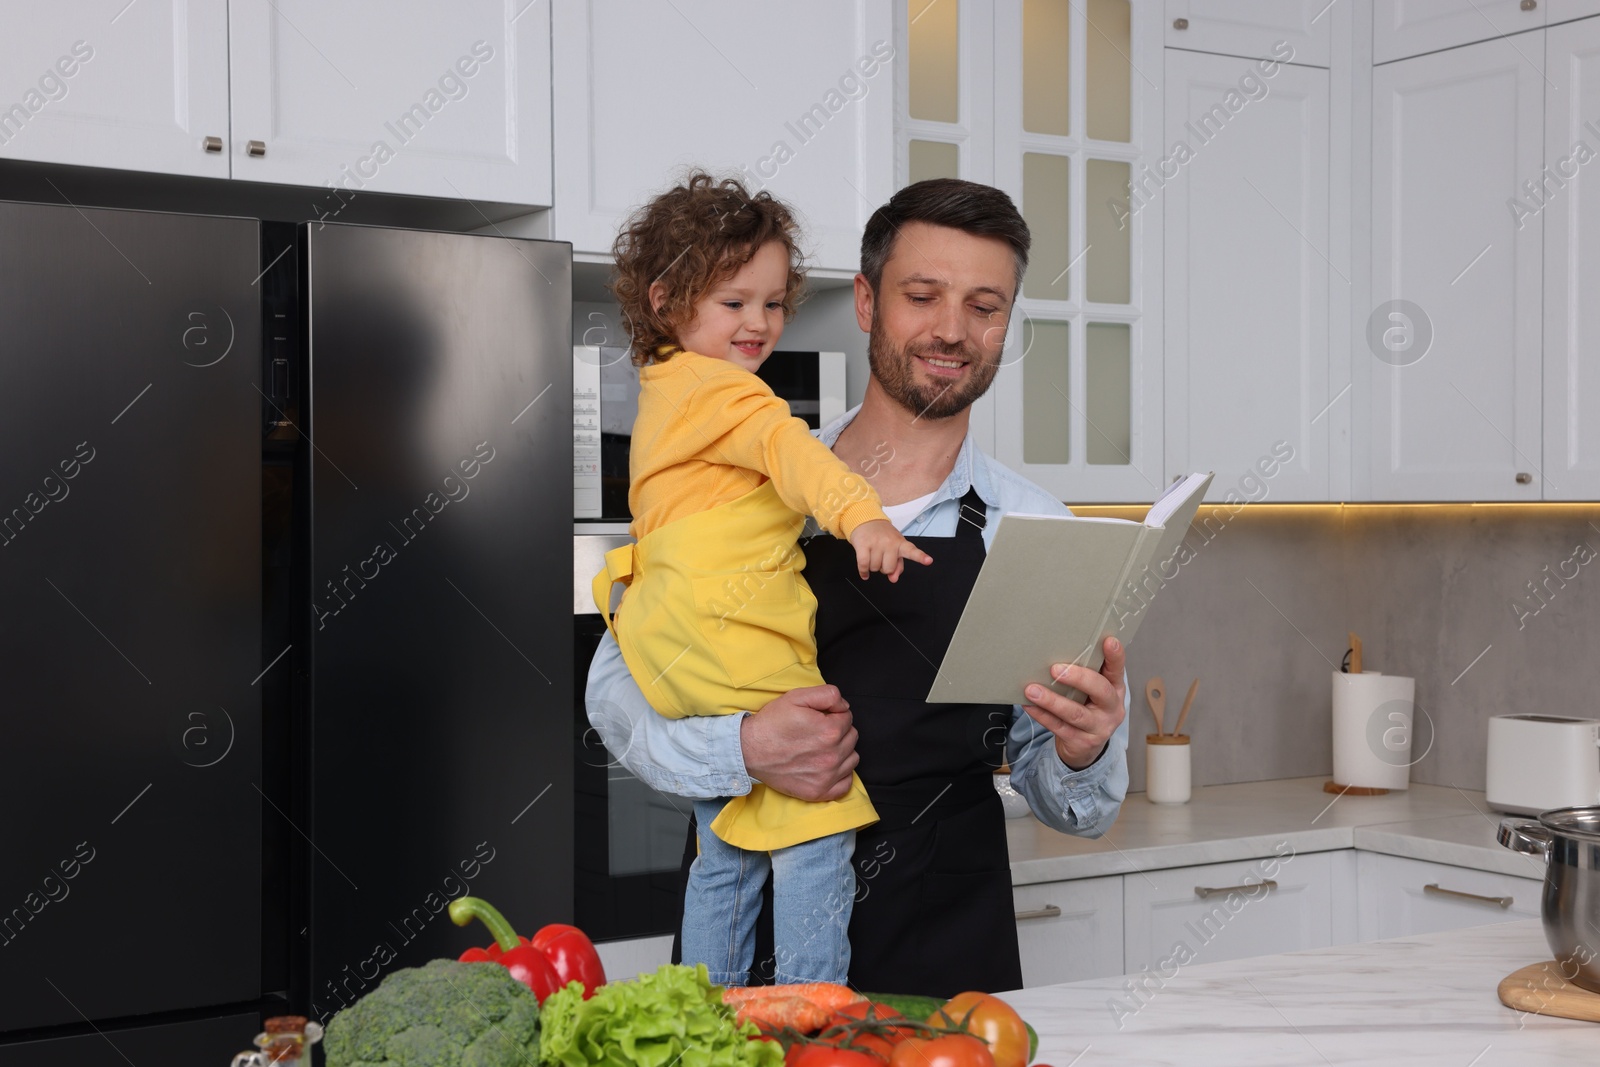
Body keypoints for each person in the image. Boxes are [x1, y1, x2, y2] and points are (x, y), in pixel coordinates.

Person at [587, 178, 1130, 996]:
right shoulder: (745, 478)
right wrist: (741, 748)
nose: (952, 330)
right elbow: (615, 696)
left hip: (945, 953)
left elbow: (1071, 805)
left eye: (984, 306)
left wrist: (1082, 750)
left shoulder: (1035, 526)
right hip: (749, 943)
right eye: (923, 295)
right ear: (869, 302)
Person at [592, 172, 930, 986]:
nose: (760, 324)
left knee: (727, 849)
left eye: (774, 303)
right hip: (731, 634)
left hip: (671, 638)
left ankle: (712, 1014)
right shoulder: (729, 393)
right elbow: (794, 452)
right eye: (734, 302)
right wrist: (863, 517)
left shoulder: (666, 386)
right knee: (815, 832)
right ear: (668, 298)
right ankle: (814, 1011)